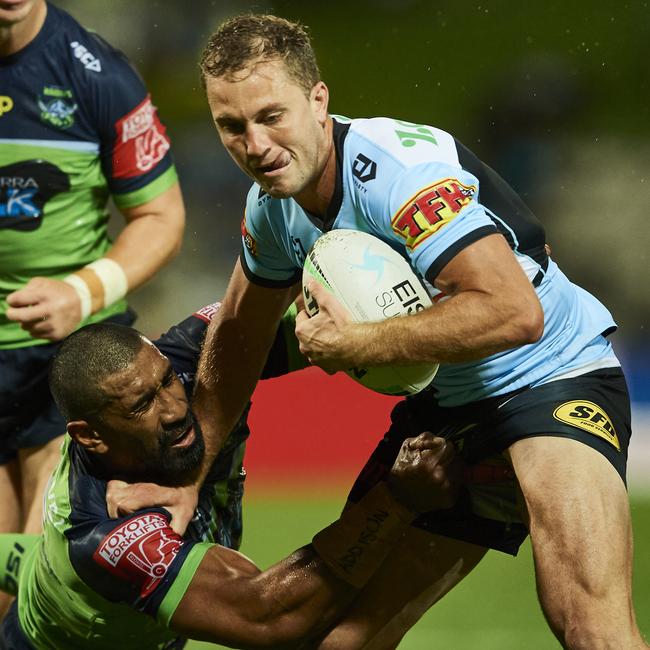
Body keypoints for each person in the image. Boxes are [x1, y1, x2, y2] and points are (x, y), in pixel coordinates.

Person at [189, 13, 646, 650]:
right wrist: (186, 481)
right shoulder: (270, 207)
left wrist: (351, 346)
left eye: (271, 116)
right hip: (445, 413)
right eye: (231, 127)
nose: (255, 145)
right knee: (337, 639)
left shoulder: (398, 175)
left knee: (588, 627)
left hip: (550, 379)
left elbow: (513, 314)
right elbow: (237, 336)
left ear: (319, 100)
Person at [0, 304, 460, 649]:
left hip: (47, 562)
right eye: (142, 405)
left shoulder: (191, 357)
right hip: (57, 634)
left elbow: (303, 304)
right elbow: (267, 617)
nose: (176, 409)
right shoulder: (110, 531)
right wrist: (395, 501)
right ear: (90, 436)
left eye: (166, 380)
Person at [0, 0, 185, 608]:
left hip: (63, 370)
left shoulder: (97, 76)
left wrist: (81, 292)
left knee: (42, 589)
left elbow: (161, 215)